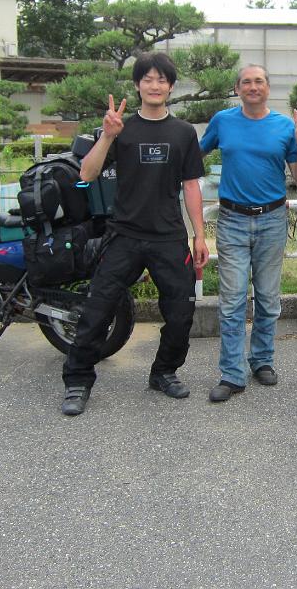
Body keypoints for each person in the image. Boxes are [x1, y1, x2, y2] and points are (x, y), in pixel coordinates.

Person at [60, 52, 210, 416]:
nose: (155, 85)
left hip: (169, 236)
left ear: (170, 87)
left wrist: (199, 235)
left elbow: (191, 185)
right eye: (148, 79)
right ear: (138, 85)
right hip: (124, 234)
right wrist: (107, 137)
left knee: (180, 312)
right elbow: (87, 174)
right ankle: (78, 380)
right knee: (97, 309)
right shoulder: (121, 128)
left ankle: (164, 372)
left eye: (162, 80)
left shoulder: (184, 132)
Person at [200, 65, 297, 402]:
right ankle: (232, 374)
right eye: (246, 82)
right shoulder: (223, 120)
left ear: (268, 87)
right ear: (237, 89)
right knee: (232, 302)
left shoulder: (283, 126)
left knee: (267, 298)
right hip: (232, 219)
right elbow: (195, 155)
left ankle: (262, 360)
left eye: (259, 81)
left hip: (272, 220)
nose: (252, 86)